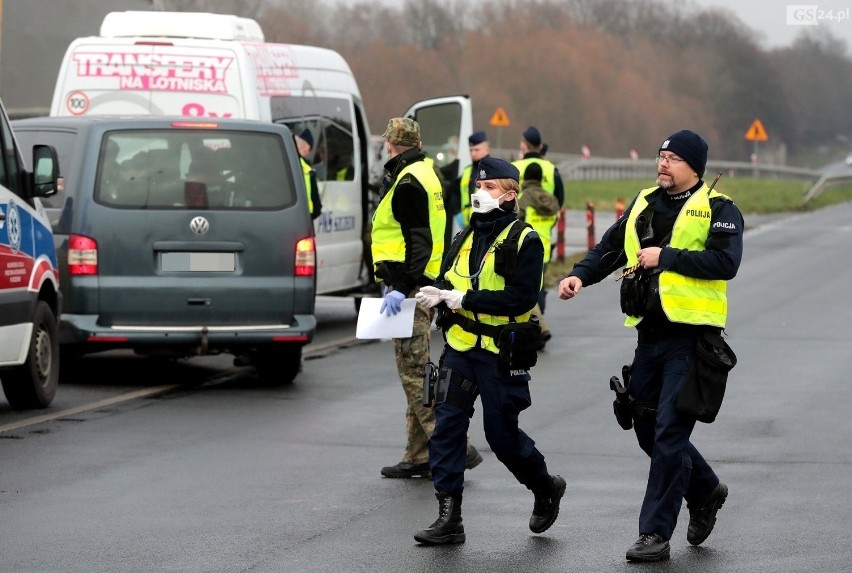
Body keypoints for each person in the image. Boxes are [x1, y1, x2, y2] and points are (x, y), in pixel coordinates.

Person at [557, 130, 743, 562]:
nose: (663, 163)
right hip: (649, 337)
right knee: (644, 426)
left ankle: (654, 534)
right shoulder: (644, 202)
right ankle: (705, 489)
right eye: (661, 156)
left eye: (674, 158)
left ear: (694, 166)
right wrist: (579, 276)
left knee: (669, 433)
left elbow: (726, 262)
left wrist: (668, 256)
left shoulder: (719, 207)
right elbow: (609, 249)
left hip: (691, 340)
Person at [412, 156, 565, 545]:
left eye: (491, 187)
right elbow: (451, 280)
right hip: (460, 348)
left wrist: (465, 298)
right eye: (478, 187)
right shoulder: (464, 236)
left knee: (501, 436)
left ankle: (544, 486)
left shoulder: (524, 239)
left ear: (510, 195)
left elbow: (520, 298)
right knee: (447, 429)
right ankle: (449, 518)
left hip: (500, 353)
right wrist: (438, 294)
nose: (481, 193)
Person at [372, 117, 483, 480]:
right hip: (422, 284)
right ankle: (418, 454)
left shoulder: (407, 183)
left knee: (414, 373)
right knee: (416, 373)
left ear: (390, 144)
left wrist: (401, 289)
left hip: (410, 291)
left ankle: (455, 447)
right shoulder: (428, 174)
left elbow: (417, 243)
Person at [513, 126, 564, 343]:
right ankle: (537, 324)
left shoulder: (514, 167)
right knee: (539, 283)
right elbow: (559, 200)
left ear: (524, 145)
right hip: (545, 238)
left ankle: (531, 328)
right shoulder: (551, 169)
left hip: (523, 240)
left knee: (521, 283)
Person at [518, 162, 560, 348]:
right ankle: (537, 327)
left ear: (526, 178)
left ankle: (538, 329)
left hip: (528, 249)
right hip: (546, 248)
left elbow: (516, 221)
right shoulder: (551, 199)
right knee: (540, 288)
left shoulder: (525, 197)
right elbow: (553, 222)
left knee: (527, 289)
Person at [451, 130, 491, 230]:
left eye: (476, 150)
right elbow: (455, 191)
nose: (473, 153)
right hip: (467, 225)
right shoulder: (467, 171)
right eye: (471, 150)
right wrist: (457, 212)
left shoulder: (492, 169)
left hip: (486, 224)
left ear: (486, 149)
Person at [295, 129, 323, 220]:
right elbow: (316, 204)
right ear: (306, 148)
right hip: (304, 217)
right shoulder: (306, 167)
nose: (308, 153)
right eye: (309, 149)